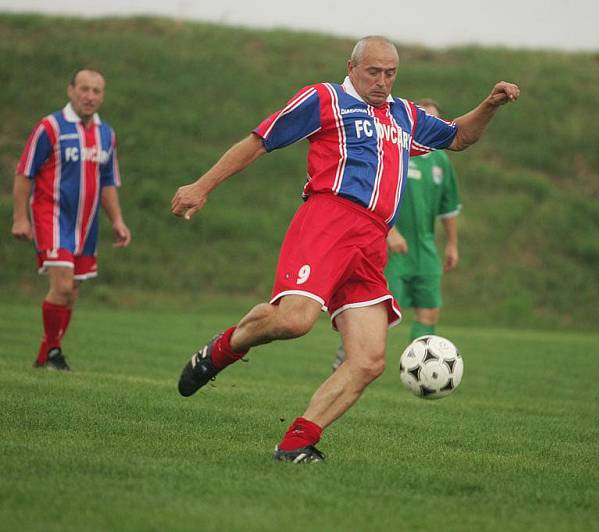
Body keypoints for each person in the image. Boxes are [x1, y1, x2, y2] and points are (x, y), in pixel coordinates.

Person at [171, 36, 519, 463]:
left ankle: (296, 442)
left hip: (372, 241)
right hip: (328, 222)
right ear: (351, 67)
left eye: (390, 73)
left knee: (369, 360)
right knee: (295, 321)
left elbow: (461, 137)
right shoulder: (324, 99)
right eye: (373, 71)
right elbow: (259, 141)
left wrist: (490, 104)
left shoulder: (404, 114)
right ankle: (228, 346)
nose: (382, 81)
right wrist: (201, 187)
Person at [12, 68, 132, 371]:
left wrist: (117, 220)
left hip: (86, 225)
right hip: (51, 216)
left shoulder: (107, 134)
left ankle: (45, 357)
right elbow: (25, 172)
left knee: (72, 293)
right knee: (63, 286)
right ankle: (53, 353)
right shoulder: (50, 127)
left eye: (96, 91)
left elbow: (107, 182)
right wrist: (20, 218)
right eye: (84, 89)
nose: (89, 96)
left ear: (102, 96)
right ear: (70, 90)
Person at [331, 98, 461, 370]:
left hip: (425, 249)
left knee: (429, 311)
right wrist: (391, 232)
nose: (432, 125)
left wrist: (451, 244)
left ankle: (424, 369)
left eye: (436, 120)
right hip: (391, 248)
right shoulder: (395, 151)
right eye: (427, 119)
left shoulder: (440, 161)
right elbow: (374, 193)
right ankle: (348, 358)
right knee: (377, 312)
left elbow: (449, 208)